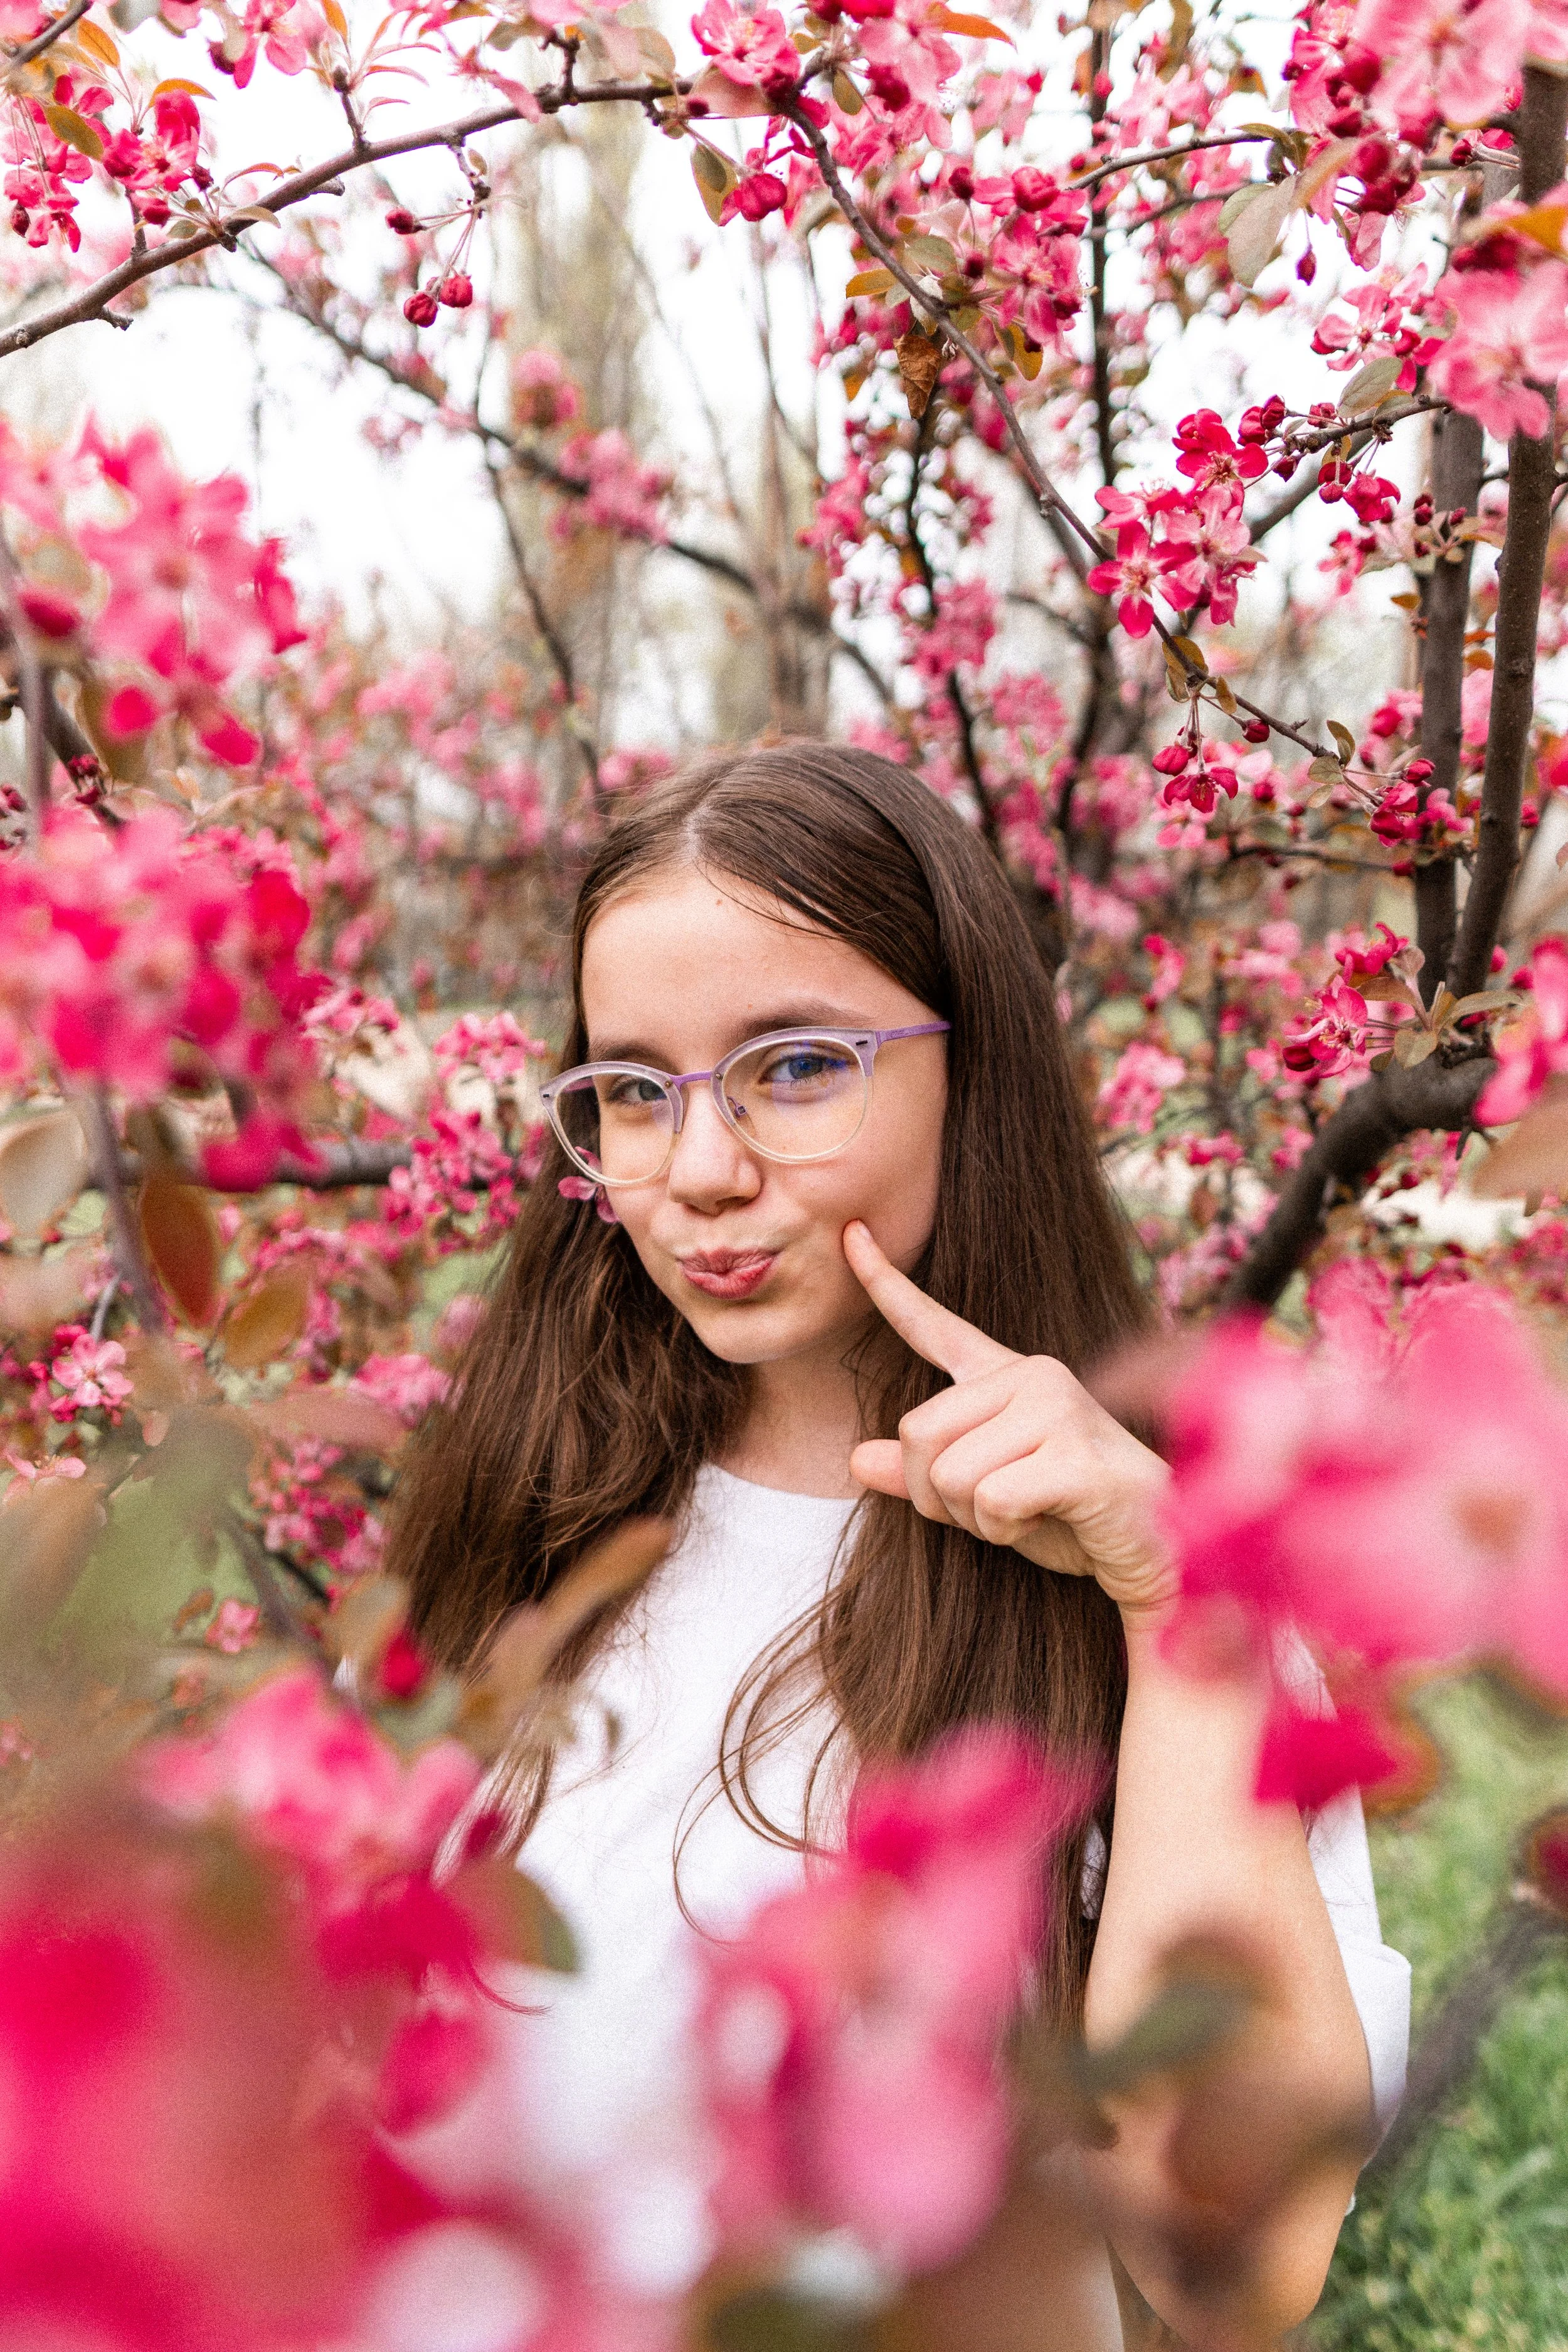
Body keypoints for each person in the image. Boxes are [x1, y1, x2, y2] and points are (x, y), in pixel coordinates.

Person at [389, 744, 1411, 2346]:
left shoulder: (1145, 1578)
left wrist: (1166, 1602)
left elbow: (1236, 2268)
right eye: (636, 1090)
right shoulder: (530, 1507)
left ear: (970, 1070)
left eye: (795, 1067)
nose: (703, 1172)